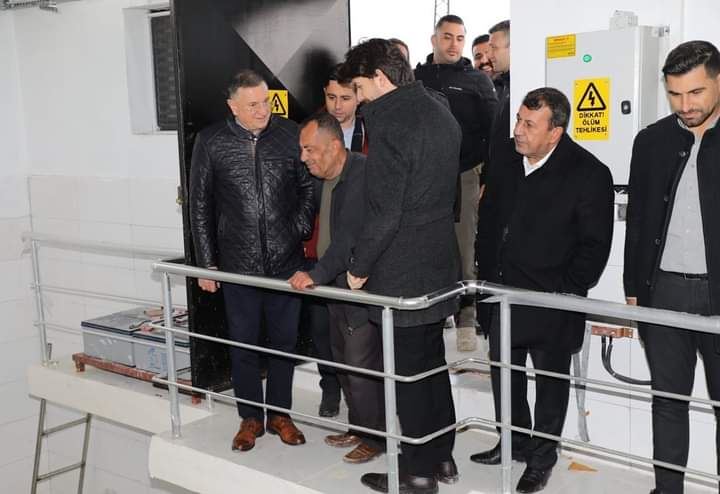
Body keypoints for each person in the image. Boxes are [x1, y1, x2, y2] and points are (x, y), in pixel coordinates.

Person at [473, 87, 614, 493]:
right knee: (505, 377)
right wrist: (485, 282)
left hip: (552, 302)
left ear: (555, 132)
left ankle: (541, 459)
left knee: (551, 385)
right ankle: (513, 442)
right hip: (502, 294)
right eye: (518, 120)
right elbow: (489, 221)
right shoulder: (505, 157)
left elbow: (594, 247)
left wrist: (563, 292)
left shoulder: (589, 173)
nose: (518, 130)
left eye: (529, 124)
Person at [340, 38, 461, 494]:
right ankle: (442, 456)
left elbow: (386, 212)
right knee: (431, 365)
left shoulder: (391, 121)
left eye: (358, 87)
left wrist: (359, 266)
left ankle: (417, 473)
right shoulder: (438, 108)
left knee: (408, 375)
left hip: (403, 267)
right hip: (438, 260)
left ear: (379, 78)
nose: (358, 98)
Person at [189, 69, 315, 452]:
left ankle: (279, 415)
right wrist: (207, 263)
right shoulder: (211, 141)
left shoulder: (290, 134)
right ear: (233, 107)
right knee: (242, 344)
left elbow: (309, 187)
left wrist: (298, 227)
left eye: (265, 102)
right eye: (253, 105)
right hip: (237, 264)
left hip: (286, 262)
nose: (263, 111)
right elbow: (199, 205)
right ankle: (250, 418)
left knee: (284, 343)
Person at [624, 40, 720, 494]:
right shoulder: (651, 141)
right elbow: (638, 221)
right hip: (663, 293)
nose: (686, 106)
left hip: (717, 294)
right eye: (675, 95)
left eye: (696, 92)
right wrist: (633, 289)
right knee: (666, 402)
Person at [289, 111, 385, 464]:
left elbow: (348, 239)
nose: (304, 158)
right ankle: (359, 427)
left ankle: (377, 438)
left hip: (357, 286)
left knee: (360, 365)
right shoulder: (323, 179)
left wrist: (315, 273)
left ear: (333, 146)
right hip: (333, 286)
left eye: (310, 149)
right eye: (302, 150)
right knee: (342, 361)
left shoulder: (361, 173)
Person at [414, 14, 497, 350]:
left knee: (464, 251)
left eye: (460, 38)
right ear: (434, 39)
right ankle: (433, 318)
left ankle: (466, 317)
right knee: (427, 249)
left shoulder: (478, 81)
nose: (454, 44)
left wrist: (486, 178)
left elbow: (493, 134)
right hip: (423, 179)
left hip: (465, 175)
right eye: (447, 37)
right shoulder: (416, 79)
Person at [307, 64, 368, 418]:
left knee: (357, 339)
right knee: (323, 331)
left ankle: (364, 411)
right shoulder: (312, 133)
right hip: (320, 247)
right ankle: (330, 390)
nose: (338, 105)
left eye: (345, 97)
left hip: (357, 257)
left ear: (358, 96)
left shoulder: (373, 132)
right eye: (332, 97)